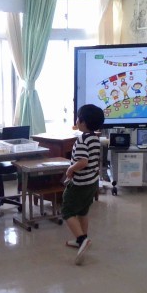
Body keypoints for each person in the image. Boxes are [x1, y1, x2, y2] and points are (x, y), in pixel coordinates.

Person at [62, 104, 105, 266]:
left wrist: (70, 169)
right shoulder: (95, 138)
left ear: (83, 122)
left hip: (79, 183)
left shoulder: (82, 140)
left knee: (67, 210)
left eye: (78, 119)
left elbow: (83, 161)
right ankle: (83, 238)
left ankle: (81, 239)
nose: (76, 121)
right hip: (92, 183)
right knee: (82, 211)